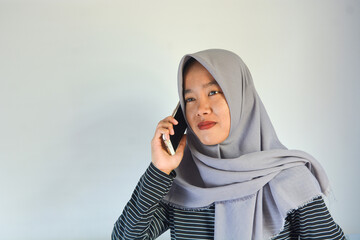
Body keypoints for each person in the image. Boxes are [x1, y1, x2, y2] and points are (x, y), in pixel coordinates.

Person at [112, 49, 346, 240]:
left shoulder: (288, 179)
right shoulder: (182, 180)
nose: (201, 109)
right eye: (190, 98)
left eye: (214, 92)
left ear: (241, 97)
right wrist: (159, 170)